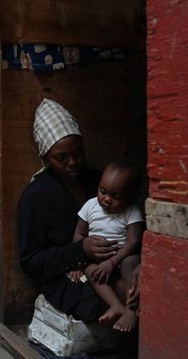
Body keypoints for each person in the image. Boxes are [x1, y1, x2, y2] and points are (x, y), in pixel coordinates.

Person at [18, 99, 121, 322]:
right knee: (111, 296)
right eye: (61, 158)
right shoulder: (36, 196)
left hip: (115, 263)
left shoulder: (100, 182)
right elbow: (30, 261)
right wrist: (79, 251)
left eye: (77, 153)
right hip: (67, 279)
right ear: (45, 157)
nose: (73, 162)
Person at [72, 161, 145, 332]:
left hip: (121, 259)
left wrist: (112, 262)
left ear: (132, 196)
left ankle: (131, 309)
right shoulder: (90, 206)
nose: (106, 199)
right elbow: (79, 234)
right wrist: (78, 260)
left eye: (116, 196)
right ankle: (115, 305)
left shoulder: (131, 211)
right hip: (98, 261)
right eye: (102, 191)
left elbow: (133, 242)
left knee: (130, 263)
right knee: (90, 270)